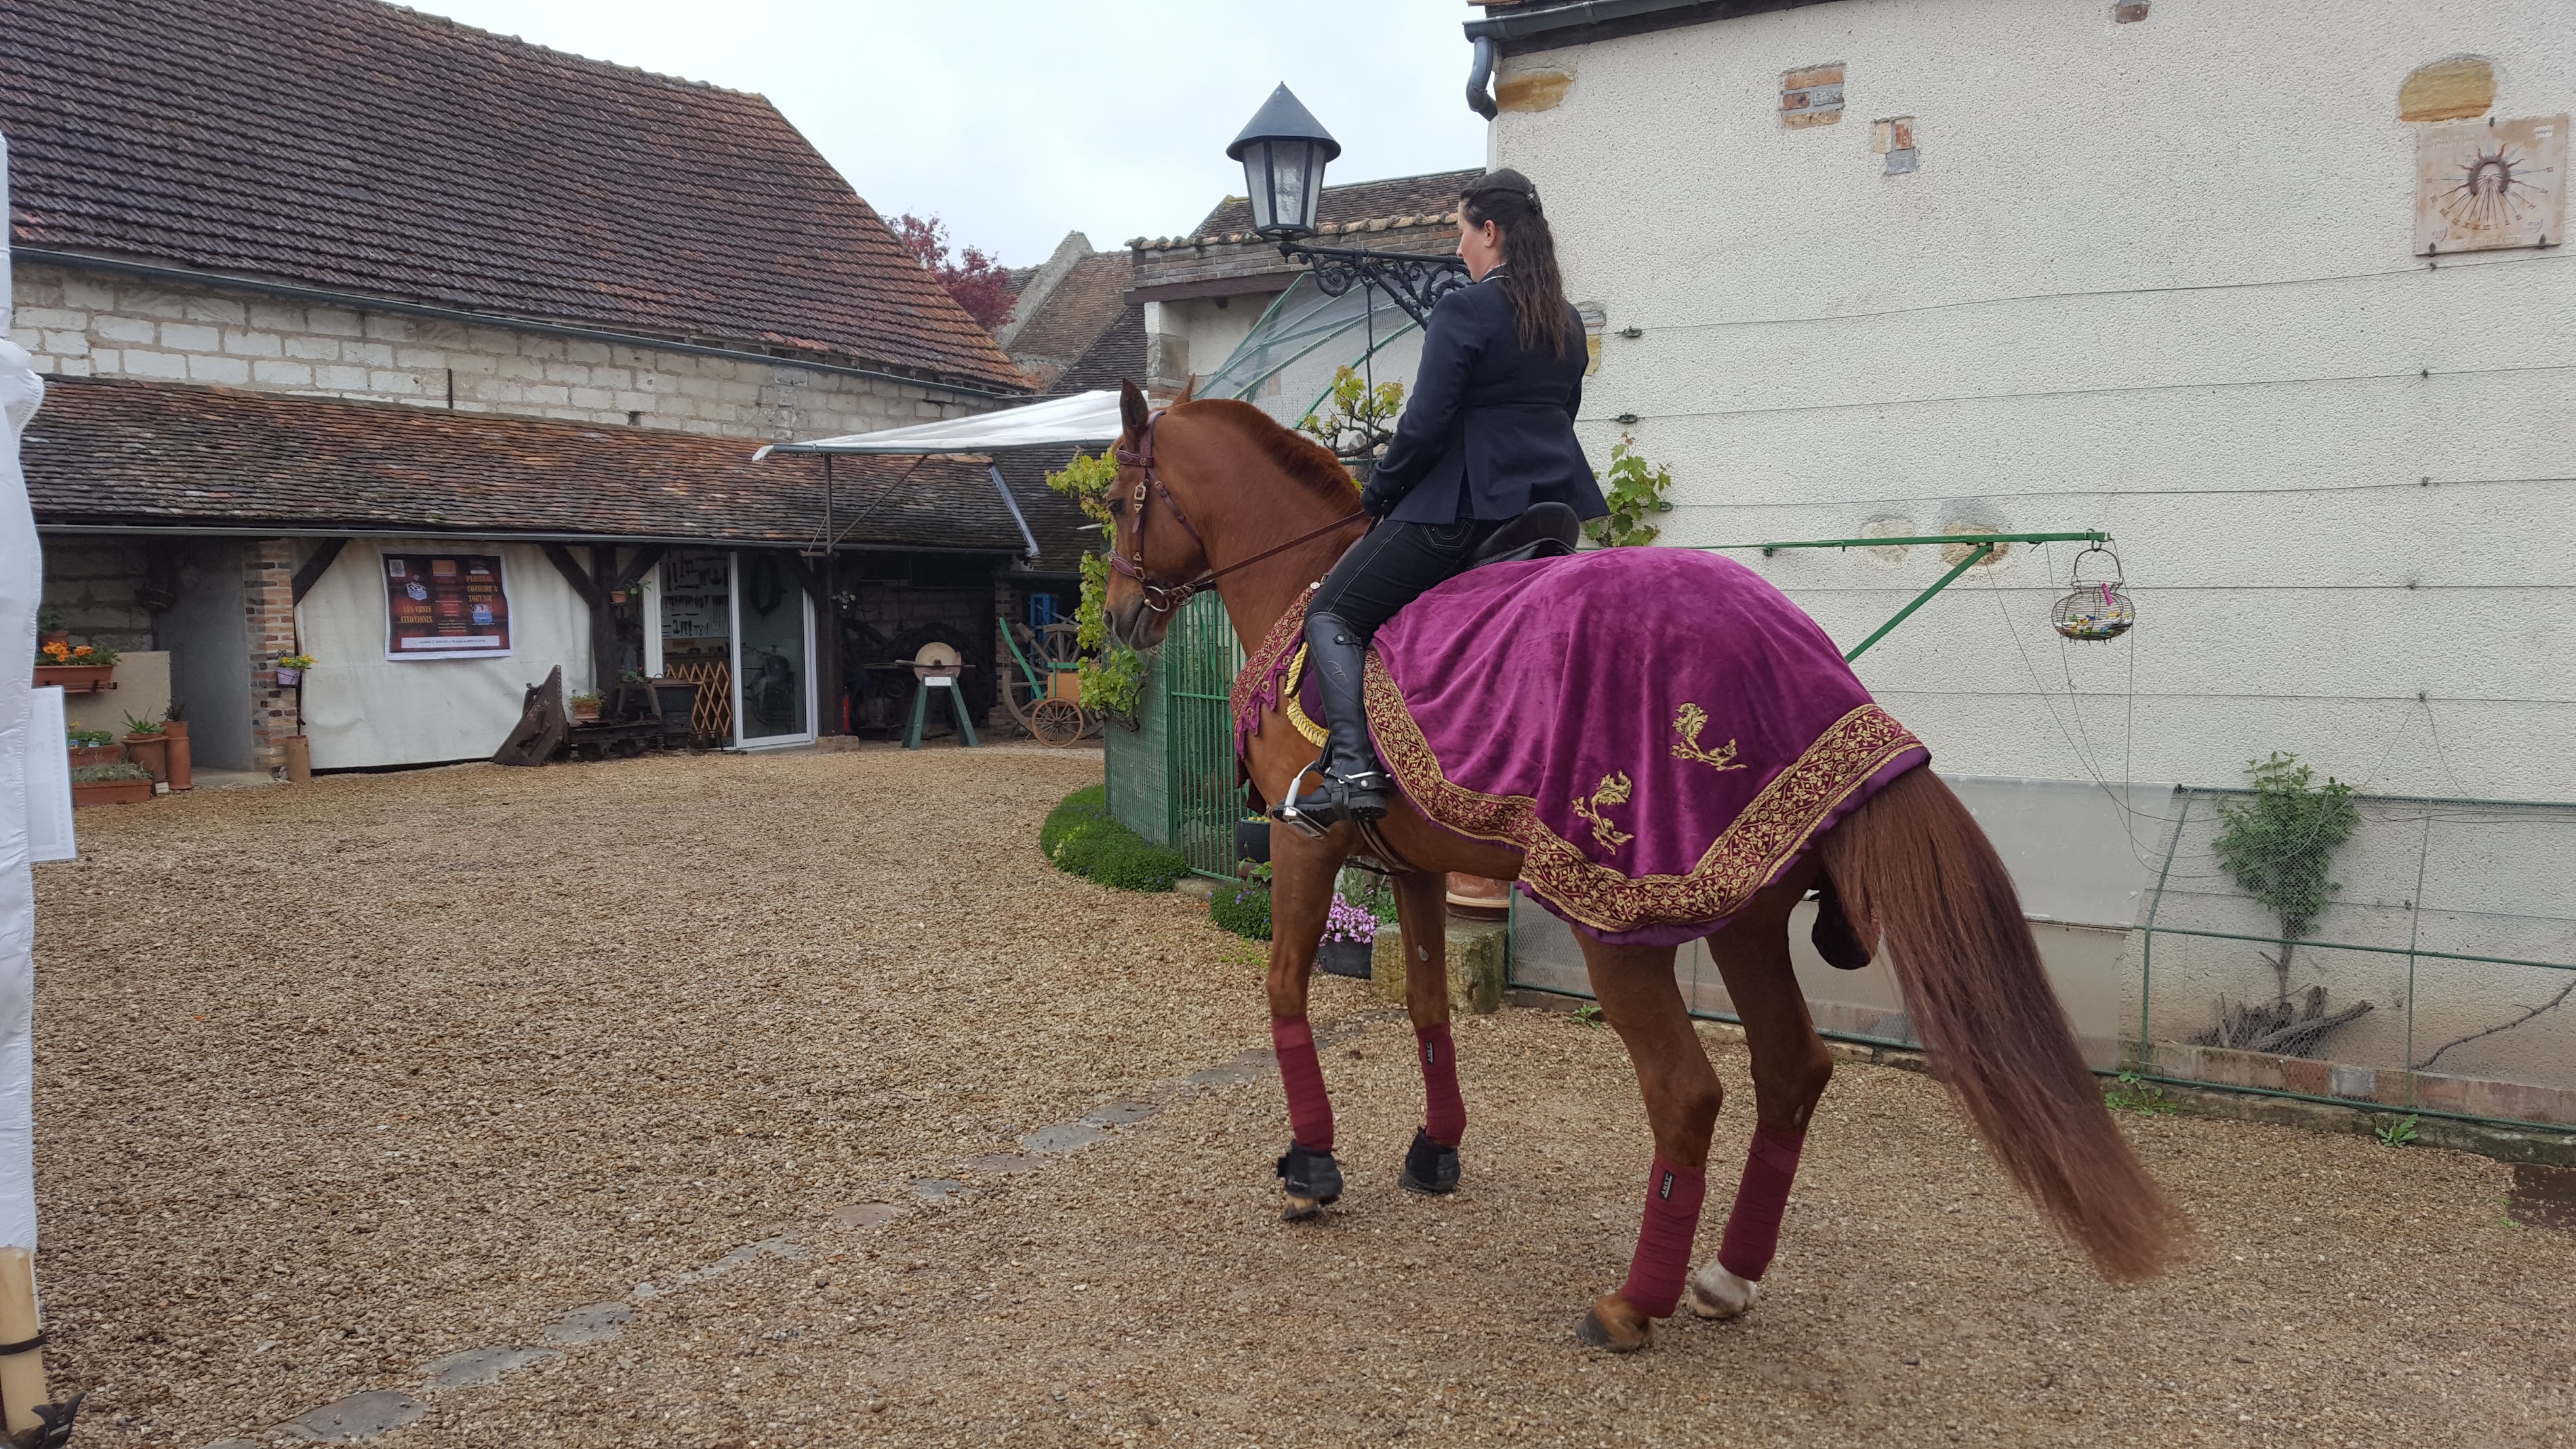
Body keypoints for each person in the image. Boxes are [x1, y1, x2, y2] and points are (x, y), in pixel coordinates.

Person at [1290, 168, 1609, 828]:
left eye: (1461, 231)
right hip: (1548, 514)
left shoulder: (1465, 309)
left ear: (1489, 232)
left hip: (1461, 513)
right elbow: (1564, 413)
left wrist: (1379, 492)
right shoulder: (1568, 322)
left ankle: (1351, 769)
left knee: (1330, 614)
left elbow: (1424, 424)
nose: (1457, 246)